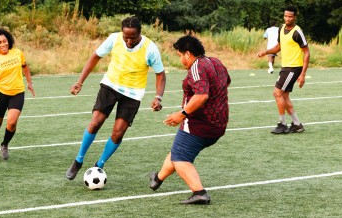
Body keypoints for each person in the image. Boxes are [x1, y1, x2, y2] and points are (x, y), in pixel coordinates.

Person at [65, 16, 166, 180]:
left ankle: (99, 165)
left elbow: (160, 75)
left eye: (133, 38)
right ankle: (78, 160)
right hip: (110, 85)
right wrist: (80, 81)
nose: (129, 41)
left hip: (133, 94)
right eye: (126, 37)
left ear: (139, 34)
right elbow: (95, 57)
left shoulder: (150, 49)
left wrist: (158, 97)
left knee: (118, 133)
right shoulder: (114, 39)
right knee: (95, 122)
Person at [149, 35, 231, 205]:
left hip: (199, 123)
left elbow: (201, 95)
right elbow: (226, 81)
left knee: (180, 158)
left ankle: (199, 192)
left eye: (179, 55)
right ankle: (157, 178)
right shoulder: (215, 62)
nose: (180, 59)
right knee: (178, 149)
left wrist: (182, 114)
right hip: (219, 123)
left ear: (187, 54)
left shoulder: (197, 67)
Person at [0, 28, 35, 161]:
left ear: (8, 41)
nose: (3, 44)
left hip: (17, 93)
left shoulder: (17, 53)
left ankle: (4, 144)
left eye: (4, 41)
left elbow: (25, 66)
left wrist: (29, 82)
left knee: (12, 122)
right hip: (1, 94)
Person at [256, 6, 310, 134]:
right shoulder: (281, 28)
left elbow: (307, 53)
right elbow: (279, 46)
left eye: (290, 16)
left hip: (294, 67)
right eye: (285, 16)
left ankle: (282, 124)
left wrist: (302, 74)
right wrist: (266, 52)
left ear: (295, 17)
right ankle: (297, 124)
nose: (287, 18)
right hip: (285, 66)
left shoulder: (297, 32)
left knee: (277, 93)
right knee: (284, 96)